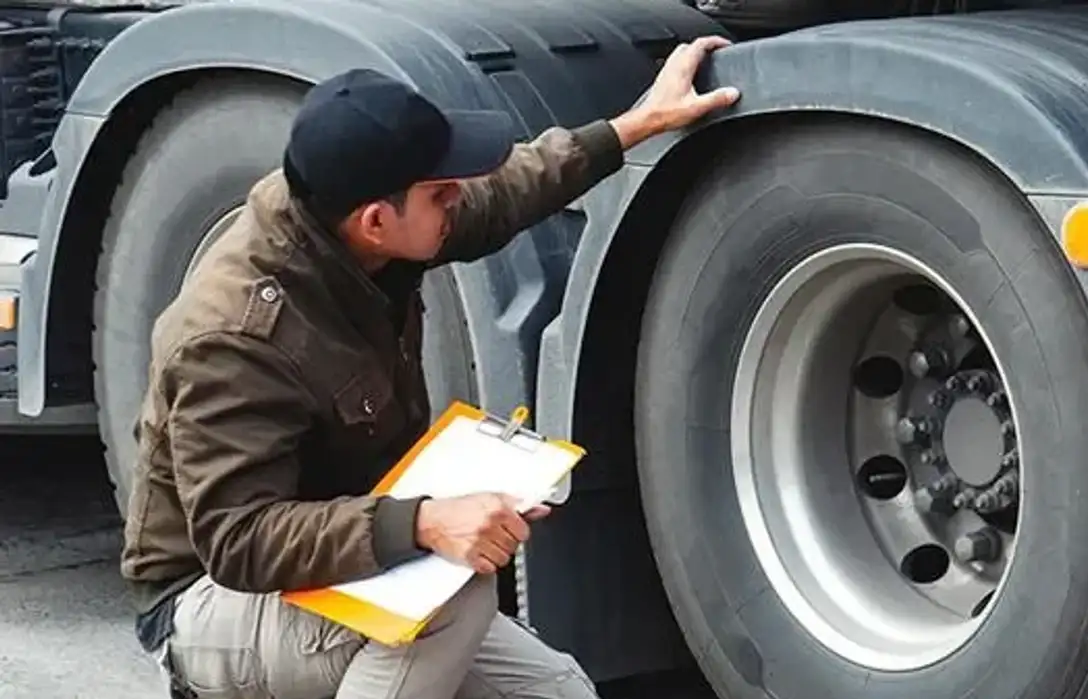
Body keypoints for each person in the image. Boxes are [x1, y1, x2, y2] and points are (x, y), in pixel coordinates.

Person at [118, 35, 739, 699]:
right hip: (210, 604)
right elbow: (237, 539)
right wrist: (421, 522)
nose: (457, 199)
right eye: (441, 193)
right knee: (458, 587)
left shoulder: (359, 224)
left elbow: (505, 192)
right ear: (377, 220)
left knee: (557, 690)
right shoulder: (235, 336)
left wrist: (635, 124)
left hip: (343, 556)